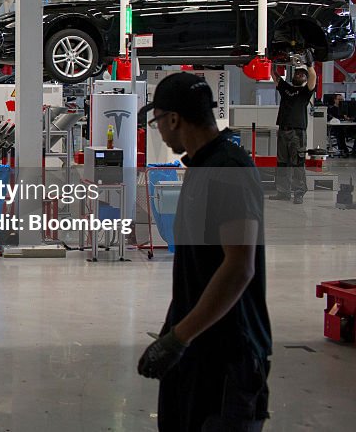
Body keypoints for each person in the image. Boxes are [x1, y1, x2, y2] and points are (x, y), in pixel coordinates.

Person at [137, 72, 271, 432]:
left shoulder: (229, 169)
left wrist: (177, 339)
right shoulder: (202, 166)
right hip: (198, 346)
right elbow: (198, 267)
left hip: (229, 360)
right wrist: (174, 329)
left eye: (157, 121)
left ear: (174, 119)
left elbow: (240, 267)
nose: (159, 130)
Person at [272, 60, 316, 204]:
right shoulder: (286, 89)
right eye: (297, 73)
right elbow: (275, 76)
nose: (299, 75)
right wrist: (270, 61)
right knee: (282, 163)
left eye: (302, 74)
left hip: (298, 133)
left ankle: (298, 193)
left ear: (305, 78)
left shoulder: (305, 92)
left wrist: (310, 65)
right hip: (283, 130)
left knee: (297, 163)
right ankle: (283, 192)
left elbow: (313, 77)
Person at [326, 93, 352, 157]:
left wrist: (349, 118)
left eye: (342, 99)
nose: (341, 101)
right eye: (339, 99)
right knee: (340, 132)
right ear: (335, 100)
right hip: (335, 128)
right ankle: (343, 150)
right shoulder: (330, 109)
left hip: (347, 127)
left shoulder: (346, 108)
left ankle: (353, 150)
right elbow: (330, 118)